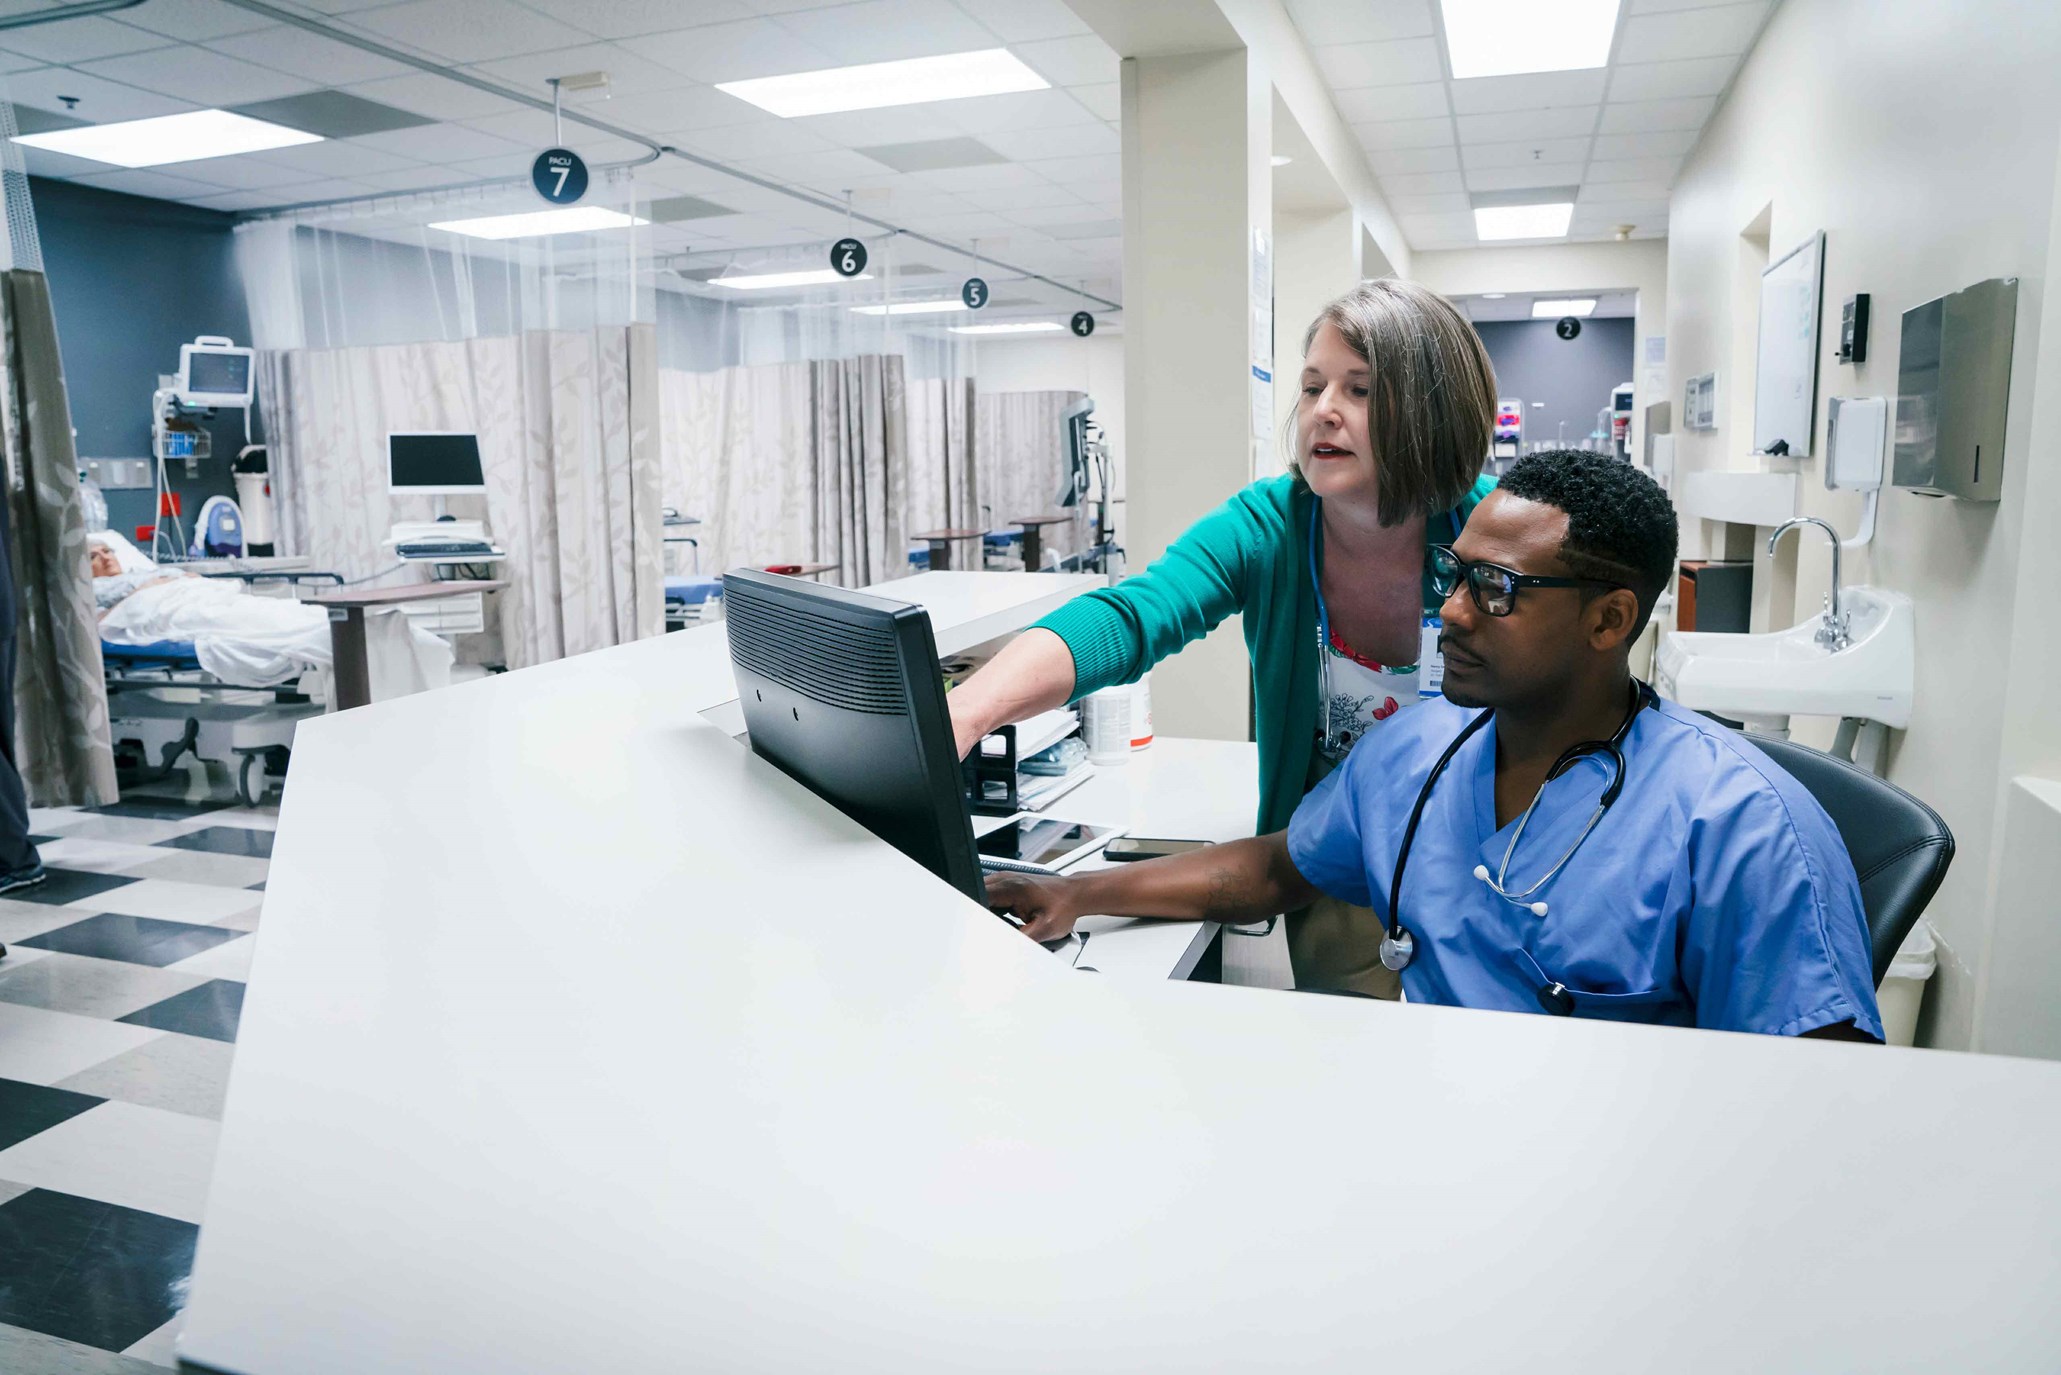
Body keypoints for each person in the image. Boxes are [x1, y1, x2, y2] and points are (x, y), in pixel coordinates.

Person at [987, 451, 1883, 1040]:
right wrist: (1077, 894)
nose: (1449, 612)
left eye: (1494, 589)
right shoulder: (1419, 748)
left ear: (1608, 619)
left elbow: (1817, 1107)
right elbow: (1278, 868)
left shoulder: (1747, 830)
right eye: (1454, 575)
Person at [949, 279, 1500, 996]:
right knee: (1348, 1046)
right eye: (1312, 387)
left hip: (1481, 863)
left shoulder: (1494, 534)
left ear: (1433, 411)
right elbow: (1133, 615)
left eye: (1361, 390)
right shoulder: (1269, 526)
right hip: (1328, 861)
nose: (1323, 410)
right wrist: (965, 711)